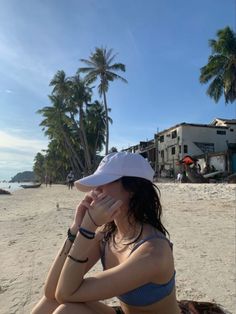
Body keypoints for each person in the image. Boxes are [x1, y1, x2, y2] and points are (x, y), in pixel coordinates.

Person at [31, 152, 225, 314]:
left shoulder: (153, 251)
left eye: (103, 183)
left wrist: (87, 228)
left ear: (132, 189)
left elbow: (65, 293)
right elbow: (51, 291)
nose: (95, 192)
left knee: (65, 311)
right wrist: (75, 230)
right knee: (50, 305)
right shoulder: (107, 236)